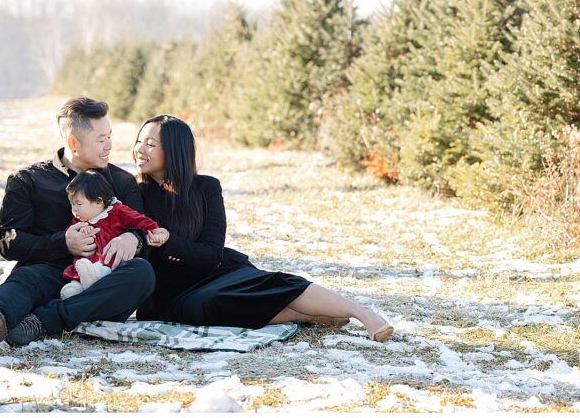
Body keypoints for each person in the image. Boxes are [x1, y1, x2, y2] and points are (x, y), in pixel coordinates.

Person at [132, 114, 394, 342]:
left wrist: (170, 240)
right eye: (139, 141)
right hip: (169, 294)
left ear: (175, 151)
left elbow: (212, 254)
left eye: (150, 144)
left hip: (213, 272)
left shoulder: (206, 188)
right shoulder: (134, 193)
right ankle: (309, 316)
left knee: (272, 284)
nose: (139, 149)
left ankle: (364, 313)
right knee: (215, 302)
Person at [0, 97, 156, 357]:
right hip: (48, 271)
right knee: (26, 279)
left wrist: (134, 239)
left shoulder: (123, 182)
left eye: (110, 136)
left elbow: (144, 231)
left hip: (101, 279)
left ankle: (41, 320)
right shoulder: (28, 180)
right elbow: (7, 244)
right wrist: (62, 243)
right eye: (101, 139)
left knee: (142, 273)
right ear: (73, 143)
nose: (110, 145)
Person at [60, 171, 169, 299]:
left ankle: (95, 279)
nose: (75, 209)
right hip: (85, 264)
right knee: (74, 284)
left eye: (79, 204)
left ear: (98, 202)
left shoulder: (117, 211)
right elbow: (72, 233)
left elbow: (141, 221)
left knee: (105, 271)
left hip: (108, 264)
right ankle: (77, 285)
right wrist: (79, 234)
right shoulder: (80, 219)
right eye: (72, 204)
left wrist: (156, 232)